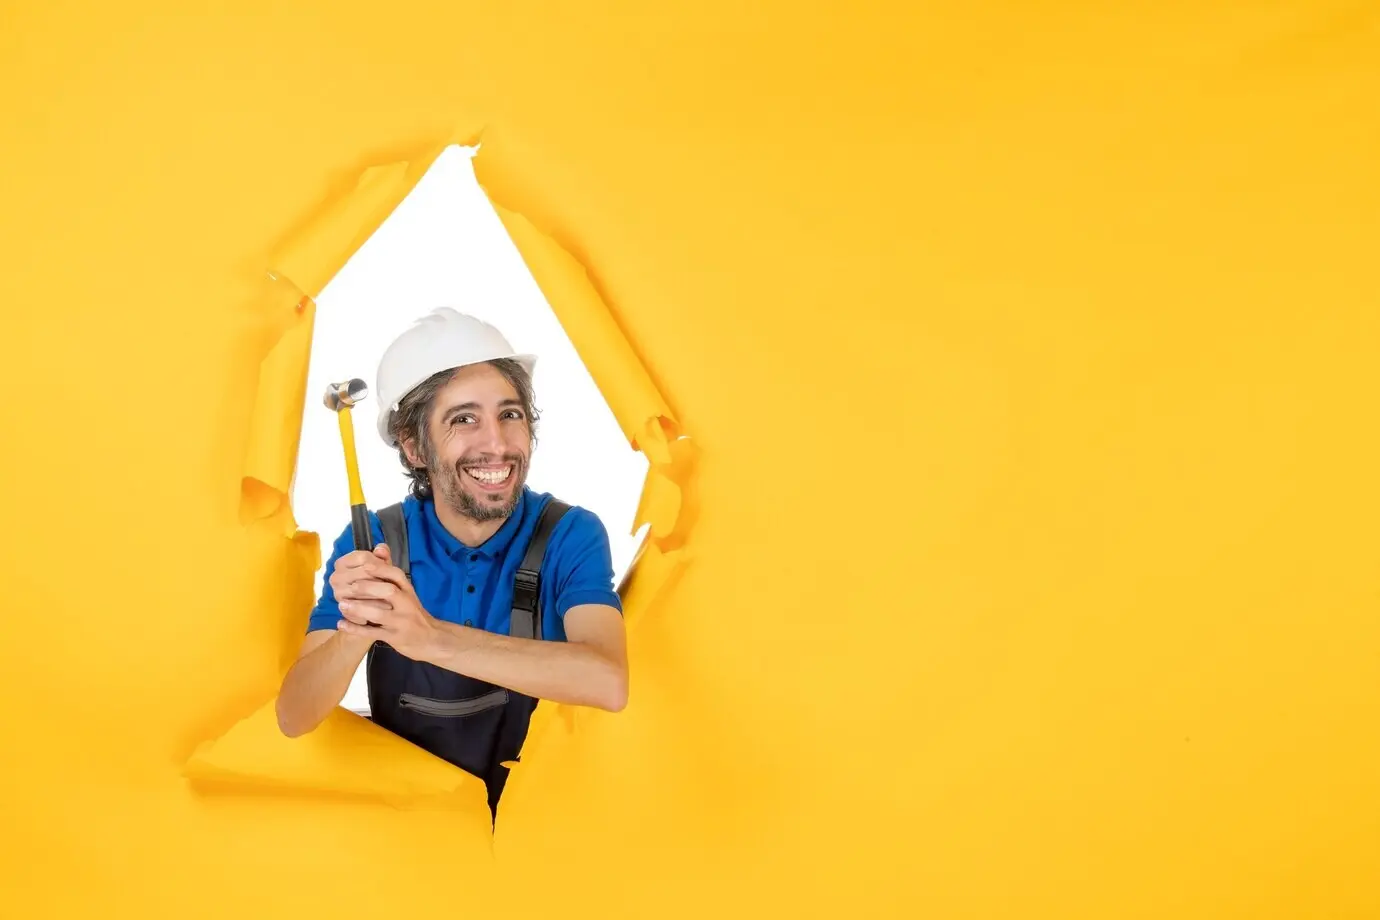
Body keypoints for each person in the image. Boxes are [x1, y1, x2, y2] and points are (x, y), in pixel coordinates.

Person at [275, 307, 629, 818]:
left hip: (543, 823)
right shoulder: (376, 542)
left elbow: (608, 682)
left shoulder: (568, 534)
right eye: (464, 419)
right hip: (416, 830)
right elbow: (295, 716)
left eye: (510, 414)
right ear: (415, 446)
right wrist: (356, 630)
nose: (497, 444)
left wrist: (430, 638)